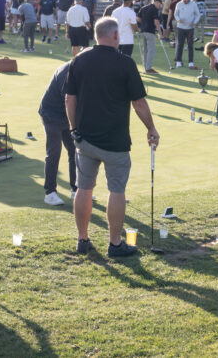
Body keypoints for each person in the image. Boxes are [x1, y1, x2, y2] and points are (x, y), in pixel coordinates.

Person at [66, 17, 160, 257]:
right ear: (115, 36)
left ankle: (82, 239)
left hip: (85, 139)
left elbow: (69, 99)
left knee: (84, 188)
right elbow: (139, 103)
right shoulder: (125, 63)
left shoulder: (79, 60)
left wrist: (74, 128)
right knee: (116, 190)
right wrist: (151, 128)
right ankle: (115, 244)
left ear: (96, 35)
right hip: (115, 141)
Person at [40, 60, 78, 206]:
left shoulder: (81, 67)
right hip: (51, 115)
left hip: (67, 116)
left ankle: (76, 189)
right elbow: (69, 100)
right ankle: (50, 193)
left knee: (75, 151)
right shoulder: (66, 72)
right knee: (54, 152)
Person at [173, 0, 200, 69]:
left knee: (190, 45)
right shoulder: (178, 4)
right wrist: (178, 19)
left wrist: (194, 22)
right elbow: (176, 14)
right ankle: (178, 62)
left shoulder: (193, 4)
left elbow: (198, 15)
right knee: (180, 45)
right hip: (180, 27)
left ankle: (190, 62)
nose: (184, 0)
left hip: (190, 28)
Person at [136, 0, 162, 74]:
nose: (160, 6)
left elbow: (138, 18)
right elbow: (156, 22)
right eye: (160, 4)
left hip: (143, 31)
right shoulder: (154, 9)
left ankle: (146, 67)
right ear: (156, 2)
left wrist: (144, 23)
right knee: (151, 50)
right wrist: (160, 33)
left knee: (145, 50)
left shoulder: (143, 8)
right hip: (150, 31)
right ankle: (148, 68)